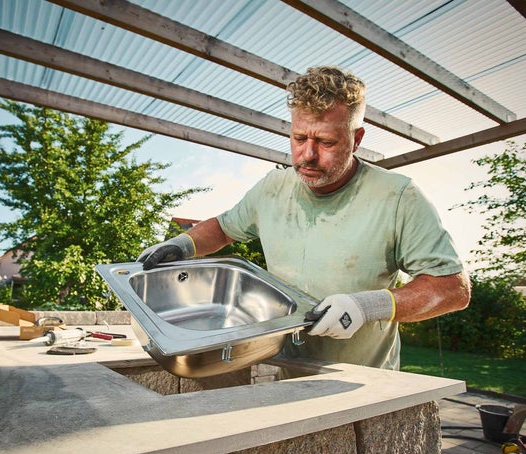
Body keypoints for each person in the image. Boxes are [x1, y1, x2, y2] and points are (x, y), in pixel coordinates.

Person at [138, 65, 471, 371]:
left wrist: (366, 307)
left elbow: (453, 289)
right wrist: (182, 244)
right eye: (299, 138)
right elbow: (223, 228)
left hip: (362, 382)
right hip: (284, 369)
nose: (308, 155)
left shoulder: (399, 197)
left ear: (357, 139)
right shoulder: (273, 188)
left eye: (326, 141)